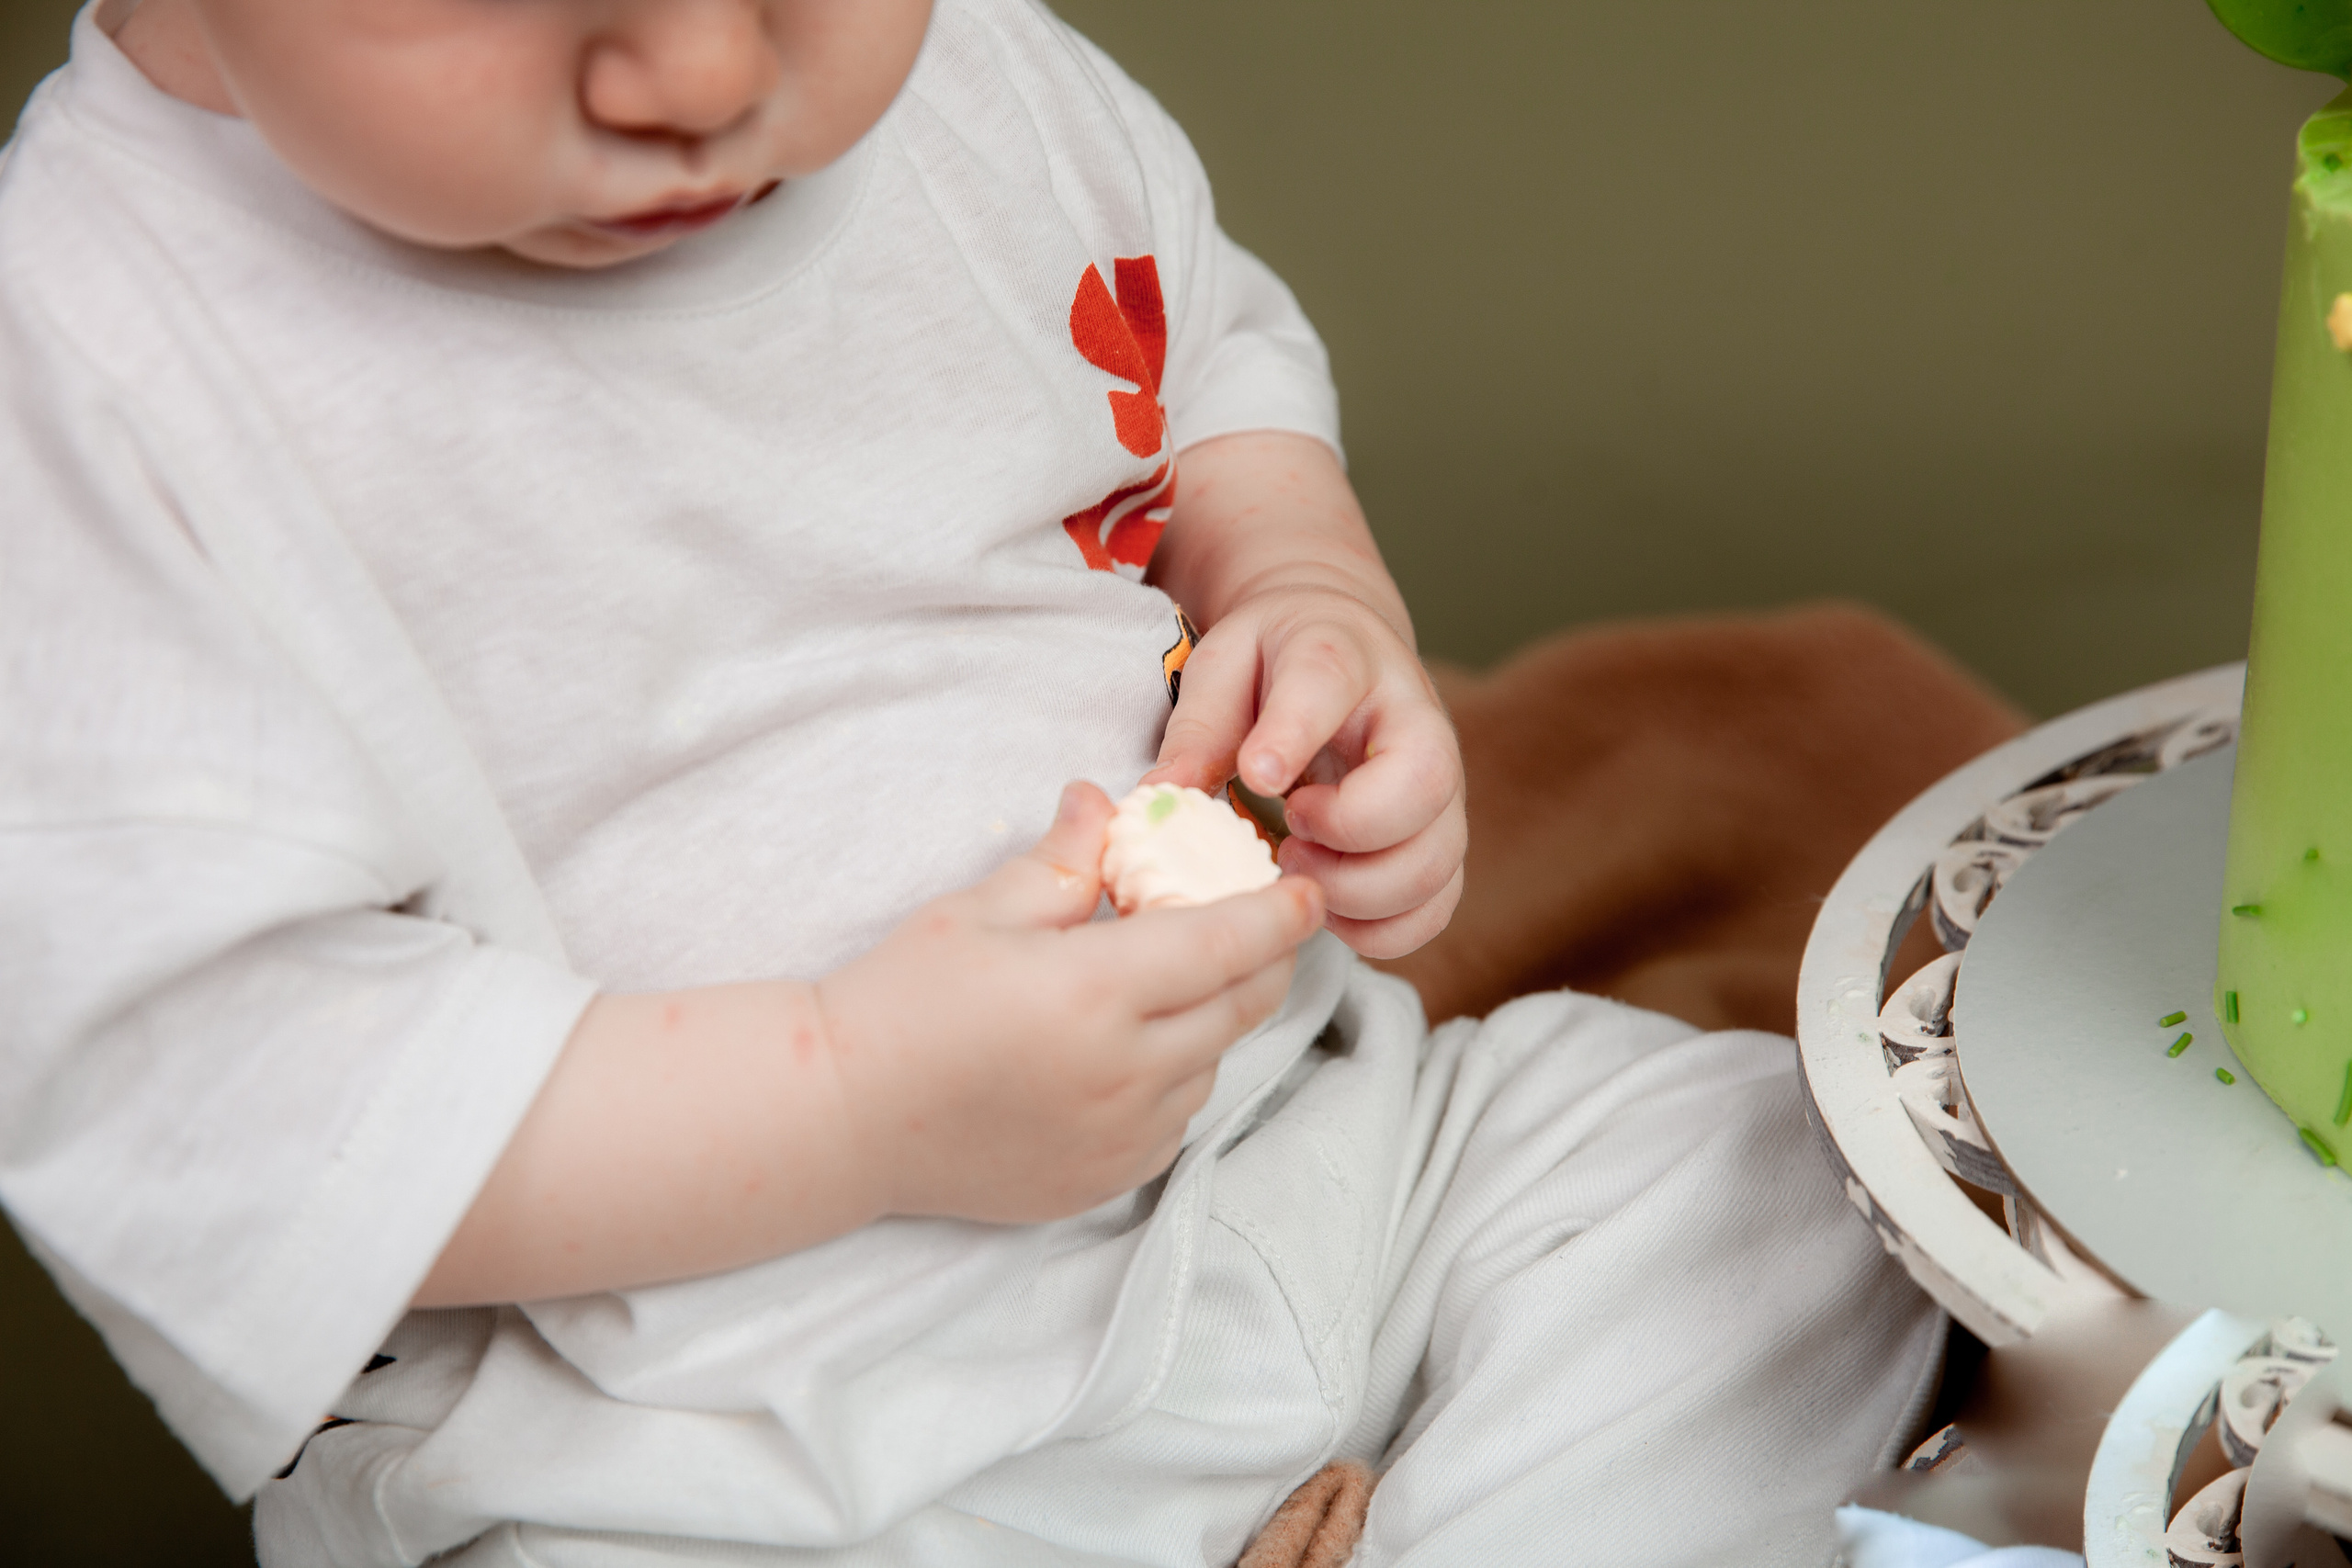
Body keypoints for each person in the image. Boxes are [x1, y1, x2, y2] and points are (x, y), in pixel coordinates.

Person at [0, 1, 1942, 1562]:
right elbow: (230, 1112)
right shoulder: (87, 367)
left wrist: (1298, 588)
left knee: (1782, 1179)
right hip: (706, 1429)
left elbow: (1209, 376)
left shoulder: (971, 83)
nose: (694, 68)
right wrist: (860, 1102)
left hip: (1310, 1162)